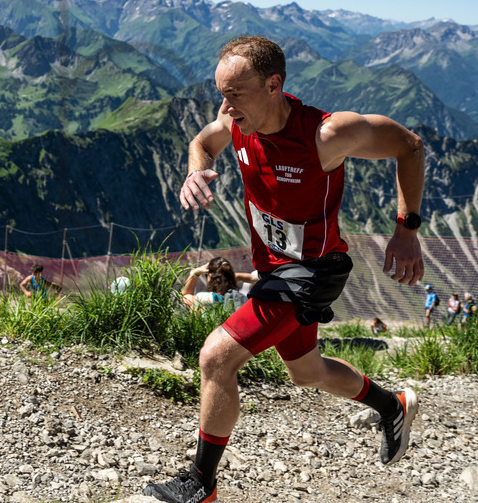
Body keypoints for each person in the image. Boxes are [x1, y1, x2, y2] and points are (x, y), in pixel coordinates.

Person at [145, 35, 424, 503]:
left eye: (235, 93)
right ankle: (391, 405)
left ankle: (201, 484)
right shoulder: (235, 121)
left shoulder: (328, 134)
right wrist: (196, 171)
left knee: (216, 357)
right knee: (307, 373)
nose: (225, 106)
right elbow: (201, 142)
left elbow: (409, 146)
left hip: (314, 270)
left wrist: (406, 228)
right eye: (221, 93)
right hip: (273, 269)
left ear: (274, 84)